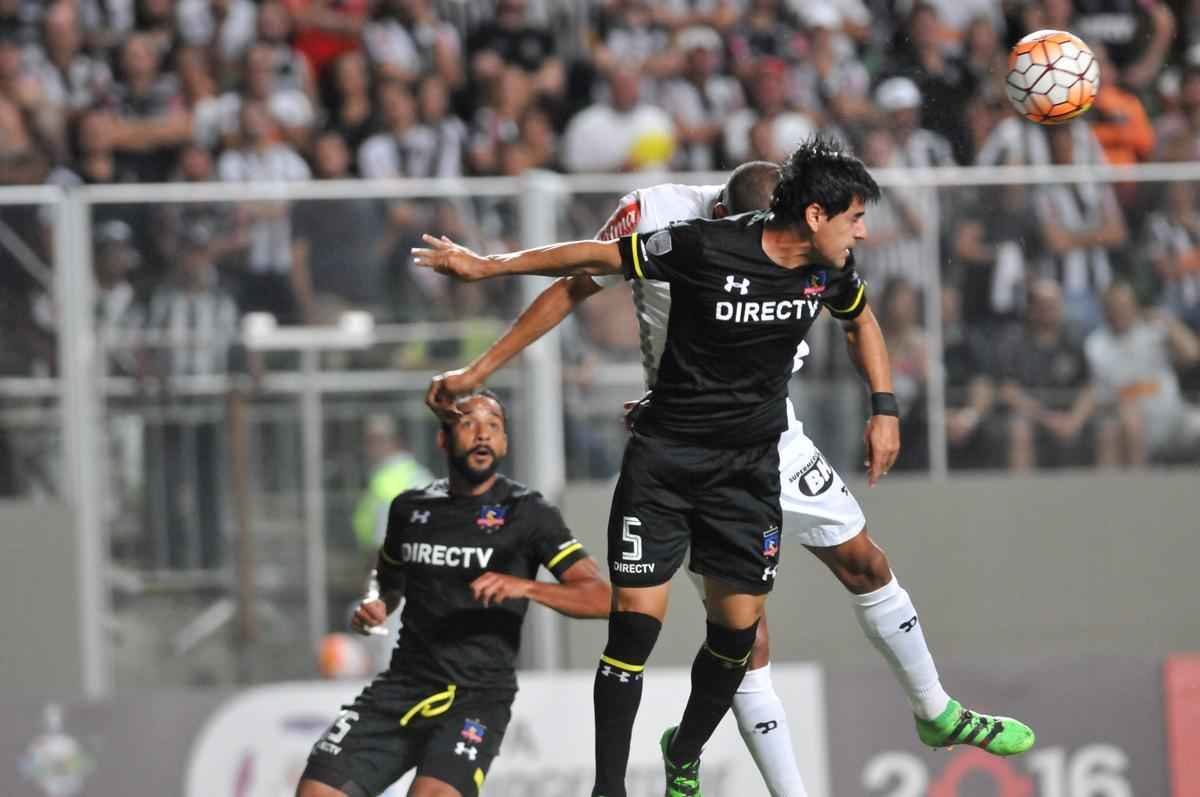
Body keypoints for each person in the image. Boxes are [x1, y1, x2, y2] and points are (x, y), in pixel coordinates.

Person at [412, 137, 1036, 797]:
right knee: (719, 634)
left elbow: (860, 321)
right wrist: (485, 301)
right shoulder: (677, 231)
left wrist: (884, 408)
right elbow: (581, 274)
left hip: (767, 439)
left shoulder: (823, 261)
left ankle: (934, 709)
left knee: (859, 565)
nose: (862, 232)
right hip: (676, 442)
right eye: (854, 218)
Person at [297, 391, 610, 797]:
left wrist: (525, 586)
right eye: (469, 424)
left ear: (504, 443)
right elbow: (389, 581)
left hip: (476, 697)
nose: (483, 435)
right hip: (402, 686)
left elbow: (602, 597)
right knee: (317, 791)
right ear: (443, 439)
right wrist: (378, 604)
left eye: (493, 427)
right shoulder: (409, 509)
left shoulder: (529, 513)